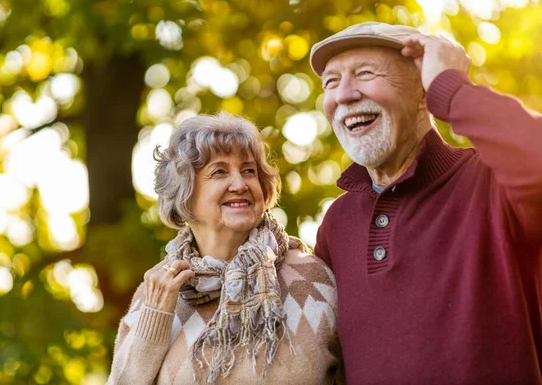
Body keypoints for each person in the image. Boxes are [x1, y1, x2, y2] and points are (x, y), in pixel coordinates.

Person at [309, 21, 542, 384]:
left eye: (365, 73)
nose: (344, 95)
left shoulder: (493, 183)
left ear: (422, 91)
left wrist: (451, 88)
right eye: (331, 82)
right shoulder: (337, 223)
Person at [107, 113, 342, 384]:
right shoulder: (157, 292)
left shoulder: (311, 280)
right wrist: (154, 319)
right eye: (219, 171)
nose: (240, 184)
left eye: (248, 171)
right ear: (184, 192)